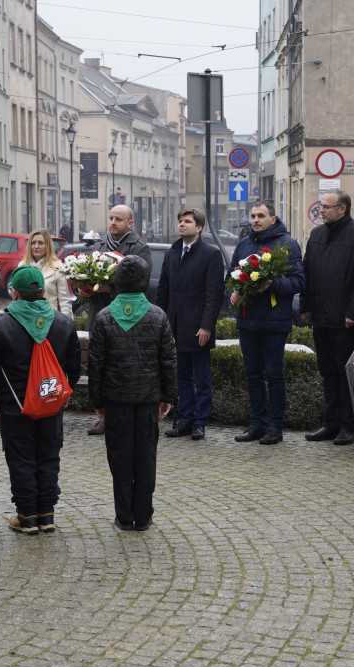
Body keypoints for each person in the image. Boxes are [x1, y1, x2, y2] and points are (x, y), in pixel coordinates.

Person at [0, 266, 81, 534]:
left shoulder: (0, 325)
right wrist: (64, 393)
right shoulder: (64, 323)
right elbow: (74, 367)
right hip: (51, 403)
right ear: (44, 292)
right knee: (48, 456)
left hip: (15, 405)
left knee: (20, 458)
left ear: (14, 292)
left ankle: (26, 517)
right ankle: (47, 514)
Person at [88, 256, 177, 531]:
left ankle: (124, 516)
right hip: (148, 400)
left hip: (116, 402)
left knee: (120, 458)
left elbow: (96, 365)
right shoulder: (158, 315)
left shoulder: (103, 317)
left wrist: (97, 402)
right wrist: (168, 397)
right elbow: (168, 362)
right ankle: (144, 516)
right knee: (146, 457)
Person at [301, 190, 354, 445]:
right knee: (327, 371)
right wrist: (306, 306)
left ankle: (347, 426)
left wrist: (353, 313)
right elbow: (307, 271)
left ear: (342, 209)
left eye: (326, 206)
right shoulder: (317, 234)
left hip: (344, 319)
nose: (321, 210)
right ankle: (329, 423)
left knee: (345, 373)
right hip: (320, 316)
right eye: (321, 206)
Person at [230, 200, 305, 445]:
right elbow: (231, 274)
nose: (255, 220)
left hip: (274, 321)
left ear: (273, 219)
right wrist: (234, 290)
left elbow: (298, 282)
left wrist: (272, 284)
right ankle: (256, 425)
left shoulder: (287, 245)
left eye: (261, 215)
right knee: (252, 375)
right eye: (253, 216)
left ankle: (275, 427)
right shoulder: (244, 244)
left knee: (273, 375)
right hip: (247, 320)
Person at [78, 204, 152, 436]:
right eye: (111, 218)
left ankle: (128, 417)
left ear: (130, 223)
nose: (113, 223)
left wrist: (110, 287)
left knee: (127, 367)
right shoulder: (98, 247)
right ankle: (102, 417)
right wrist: (84, 288)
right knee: (99, 368)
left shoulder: (140, 248)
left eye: (118, 219)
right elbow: (86, 275)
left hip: (128, 319)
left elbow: (142, 281)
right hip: (99, 318)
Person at [157, 208, 224, 441]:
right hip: (174, 326)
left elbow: (213, 295)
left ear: (199, 227)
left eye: (187, 221)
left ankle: (200, 422)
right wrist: (161, 322)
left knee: (202, 376)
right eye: (180, 221)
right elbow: (163, 291)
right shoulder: (172, 253)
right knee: (182, 376)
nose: (182, 225)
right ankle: (185, 420)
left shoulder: (211, 254)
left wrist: (207, 326)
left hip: (198, 327)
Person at [18, 228, 73, 320]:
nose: (36, 246)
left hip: (49, 320)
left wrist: (67, 324)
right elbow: (16, 298)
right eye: (33, 243)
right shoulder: (22, 265)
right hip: (26, 320)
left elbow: (65, 301)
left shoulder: (58, 266)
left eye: (40, 243)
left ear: (47, 245)